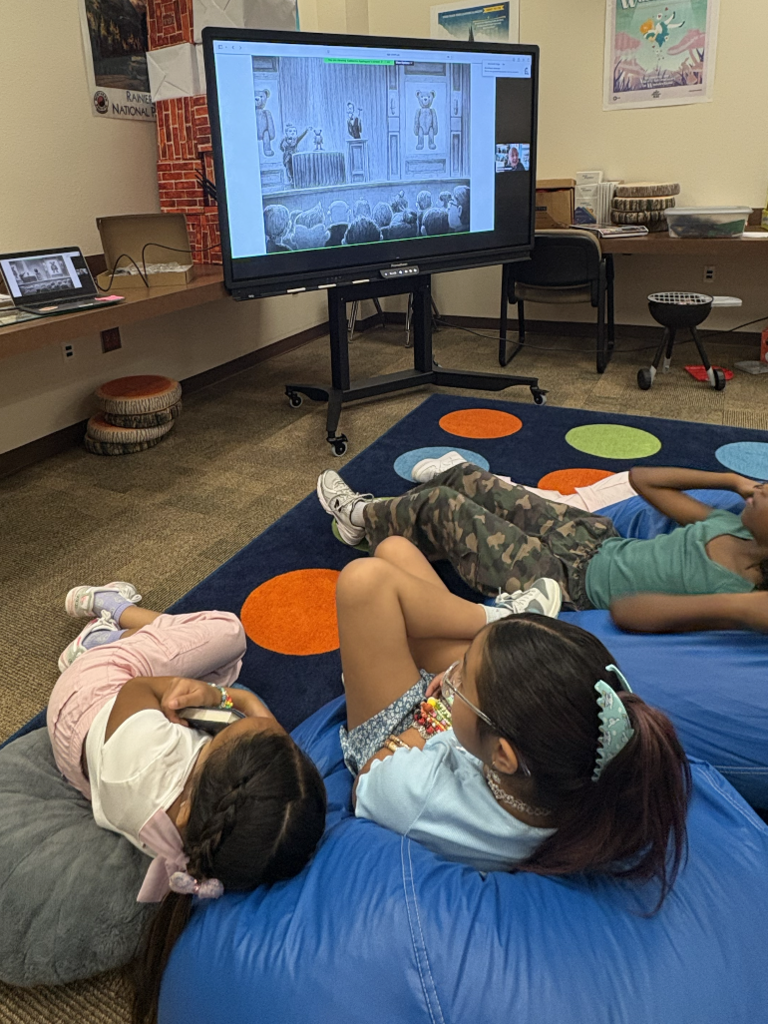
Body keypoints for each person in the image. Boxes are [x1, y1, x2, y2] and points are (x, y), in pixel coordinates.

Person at [336, 536, 690, 908]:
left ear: (502, 755)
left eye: (463, 674)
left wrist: (434, 718)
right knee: (396, 550)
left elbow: (367, 783)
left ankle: (489, 619)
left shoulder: (423, 794)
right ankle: (486, 628)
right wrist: (463, 690)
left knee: (364, 583)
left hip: (408, 740)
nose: (452, 675)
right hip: (473, 732)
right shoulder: (583, 776)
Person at [47, 583, 327, 1024]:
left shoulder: (152, 750)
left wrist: (227, 702)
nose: (242, 718)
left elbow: (142, 688)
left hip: (89, 692)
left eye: (228, 729)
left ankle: (110, 625)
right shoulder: (202, 841)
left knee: (229, 633)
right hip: (90, 762)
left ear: (203, 750)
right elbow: (270, 752)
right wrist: (231, 702)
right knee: (225, 671)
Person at [316, 454, 768, 633]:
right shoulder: (730, 524)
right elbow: (643, 479)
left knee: (442, 505)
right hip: (592, 540)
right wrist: (730, 479)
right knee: (465, 477)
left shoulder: (740, 593)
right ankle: (392, 522)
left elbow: (628, 611)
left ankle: (357, 518)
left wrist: (735, 608)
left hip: (560, 586)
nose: (763, 487)